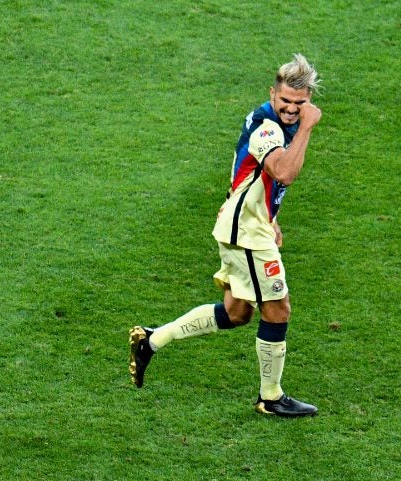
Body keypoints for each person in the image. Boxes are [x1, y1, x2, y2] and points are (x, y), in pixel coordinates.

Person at [129, 54, 322, 417]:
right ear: (272, 94)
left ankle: (151, 341)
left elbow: (246, 174)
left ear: (308, 98)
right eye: (286, 102)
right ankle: (270, 396)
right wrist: (309, 128)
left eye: (300, 104)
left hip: (248, 225)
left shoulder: (278, 121)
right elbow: (283, 172)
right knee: (278, 310)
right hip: (248, 235)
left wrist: (270, 216)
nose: (293, 109)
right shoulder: (267, 125)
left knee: (236, 313)